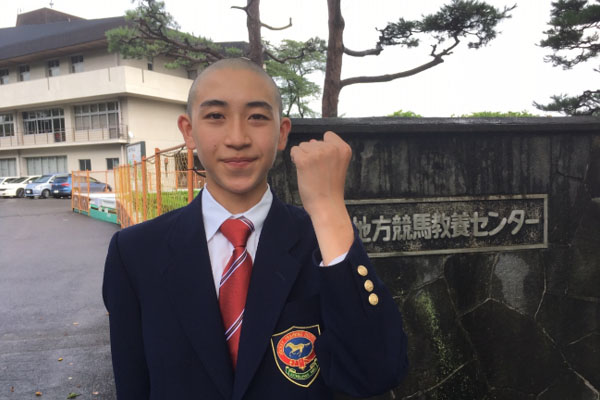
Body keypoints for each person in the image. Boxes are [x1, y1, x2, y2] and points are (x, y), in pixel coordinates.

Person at [102, 57, 408, 400]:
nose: (237, 138)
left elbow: (377, 373)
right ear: (188, 131)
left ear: (282, 133)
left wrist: (328, 208)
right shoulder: (135, 252)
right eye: (215, 116)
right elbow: (132, 384)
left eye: (257, 117)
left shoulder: (323, 240)